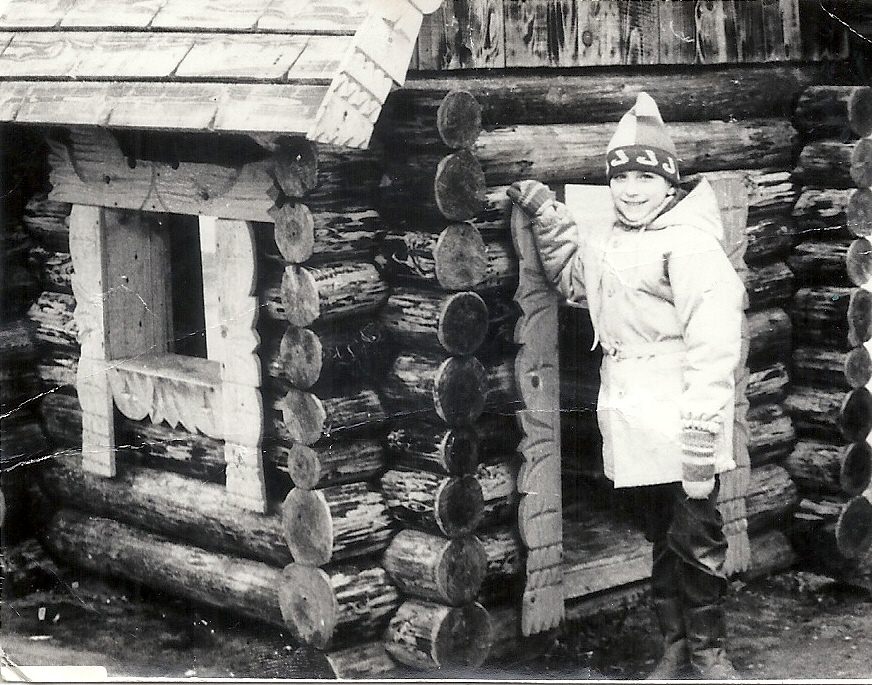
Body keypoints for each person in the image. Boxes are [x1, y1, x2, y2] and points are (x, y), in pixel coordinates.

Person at [507, 92, 745, 680]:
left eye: (645, 177)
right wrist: (548, 216)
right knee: (661, 534)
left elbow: (714, 345)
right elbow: (575, 280)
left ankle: (709, 653)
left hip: (683, 409)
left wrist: (700, 434)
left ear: (668, 183)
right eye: (621, 178)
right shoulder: (610, 237)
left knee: (697, 534)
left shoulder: (689, 242)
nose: (632, 190)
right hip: (633, 410)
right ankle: (674, 647)